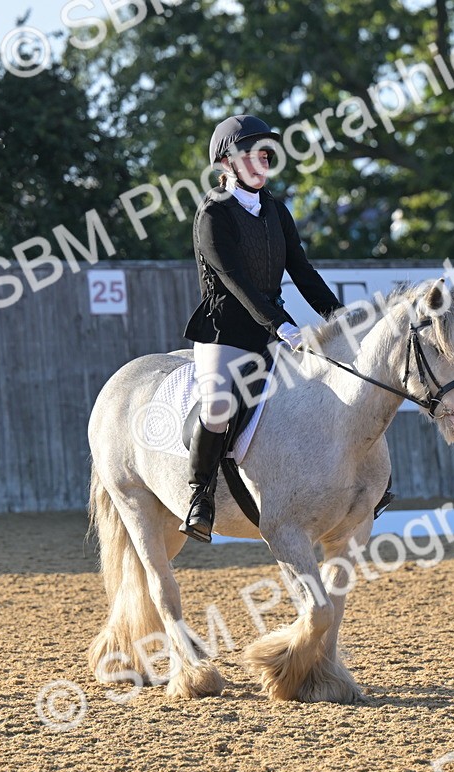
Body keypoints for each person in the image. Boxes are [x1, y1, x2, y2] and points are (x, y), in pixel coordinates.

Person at [179, 114, 345, 543]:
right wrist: (281, 325)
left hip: (272, 330)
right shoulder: (212, 216)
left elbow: (302, 272)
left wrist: (337, 316)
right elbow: (236, 282)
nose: (260, 162)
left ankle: (357, 487)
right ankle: (200, 497)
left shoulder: (275, 209)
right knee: (218, 407)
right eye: (249, 155)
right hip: (226, 332)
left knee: (330, 391)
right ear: (225, 165)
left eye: (265, 154)